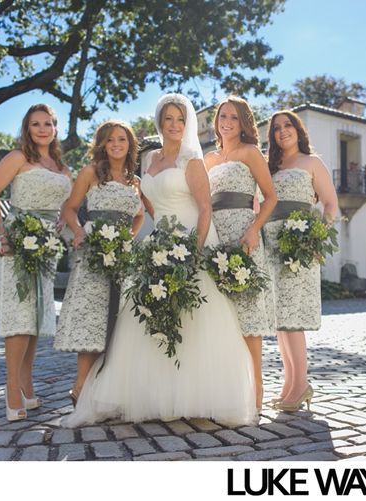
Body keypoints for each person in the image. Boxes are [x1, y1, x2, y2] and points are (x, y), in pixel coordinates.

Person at [62, 94, 256, 426]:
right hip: (160, 242)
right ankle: (154, 396)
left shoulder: (192, 160)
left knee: (194, 320)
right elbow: (149, 206)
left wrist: (194, 251)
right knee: (150, 316)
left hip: (189, 242)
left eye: (181, 119)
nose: (175, 125)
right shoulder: (150, 159)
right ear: (159, 122)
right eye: (169, 119)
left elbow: (205, 208)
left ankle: (193, 396)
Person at [0, 104, 72, 421]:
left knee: (36, 318)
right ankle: (10, 388)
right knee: (20, 316)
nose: (42, 129)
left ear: (55, 128)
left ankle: (26, 383)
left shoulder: (62, 167)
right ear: (27, 128)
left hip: (46, 247)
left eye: (48, 123)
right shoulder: (18, 158)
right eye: (36, 124)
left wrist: (61, 221)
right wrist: (3, 232)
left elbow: (66, 205)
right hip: (18, 243)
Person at [55, 120, 145, 405]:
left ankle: (107, 389)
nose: (116, 144)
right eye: (110, 140)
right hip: (94, 254)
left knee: (118, 322)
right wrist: (79, 231)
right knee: (92, 320)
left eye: (122, 139)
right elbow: (70, 208)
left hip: (122, 257)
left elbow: (140, 216)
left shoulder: (135, 182)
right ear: (103, 145)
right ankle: (81, 386)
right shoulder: (90, 172)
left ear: (130, 145)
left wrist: (127, 238)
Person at [204, 95, 278, 411]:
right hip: (214, 238)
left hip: (243, 235)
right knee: (220, 315)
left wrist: (253, 229)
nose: (228, 122)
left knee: (247, 315)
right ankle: (225, 392)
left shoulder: (250, 153)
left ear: (244, 123)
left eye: (234, 117)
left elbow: (271, 197)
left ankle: (256, 392)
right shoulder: (208, 159)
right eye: (223, 116)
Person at [263, 111, 338, 412]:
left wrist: (315, 238)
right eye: (276, 128)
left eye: (288, 125)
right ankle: (289, 384)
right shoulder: (270, 167)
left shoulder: (312, 162)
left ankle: (301, 384)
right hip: (272, 245)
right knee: (280, 321)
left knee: (293, 319)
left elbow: (331, 204)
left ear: (298, 130)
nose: (283, 131)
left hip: (298, 248)